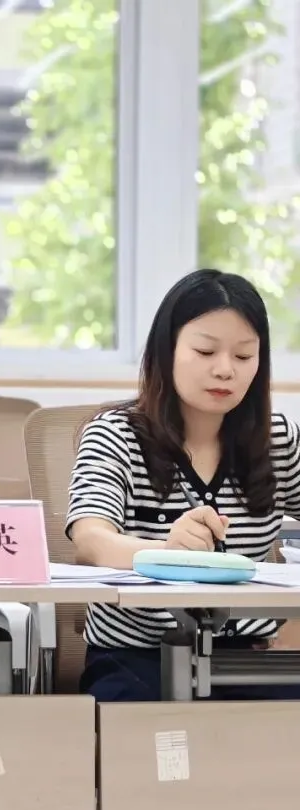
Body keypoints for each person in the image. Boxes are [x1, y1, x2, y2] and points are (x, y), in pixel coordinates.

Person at [67, 268, 300, 701]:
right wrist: (166, 554)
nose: (225, 370)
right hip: (138, 656)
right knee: (158, 735)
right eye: (205, 351)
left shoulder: (278, 440)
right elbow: (91, 541)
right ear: (167, 350)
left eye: (244, 356)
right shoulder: (116, 434)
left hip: (251, 656)